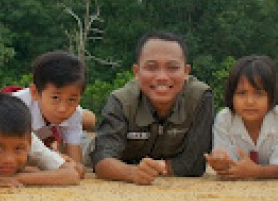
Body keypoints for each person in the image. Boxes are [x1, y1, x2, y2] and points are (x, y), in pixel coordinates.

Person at [91, 31, 214, 185]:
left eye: (172, 67)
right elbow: (102, 160)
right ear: (137, 72)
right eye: (152, 67)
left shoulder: (200, 97)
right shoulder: (121, 101)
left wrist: (154, 169)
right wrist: (134, 173)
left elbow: (194, 164)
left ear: (186, 72)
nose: (162, 76)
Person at [205, 55, 278, 180]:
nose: (250, 102)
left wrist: (255, 171)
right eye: (241, 93)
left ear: (271, 96)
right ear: (231, 95)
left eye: (259, 94)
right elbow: (227, 166)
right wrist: (219, 162)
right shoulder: (224, 119)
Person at [11, 51, 89, 170]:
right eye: (55, 98)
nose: (63, 109)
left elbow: (77, 166)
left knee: (90, 119)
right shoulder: (16, 109)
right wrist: (55, 161)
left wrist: (70, 163)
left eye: (72, 100)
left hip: (39, 142)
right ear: (35, 93)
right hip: (5, 137)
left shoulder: (74, 113)